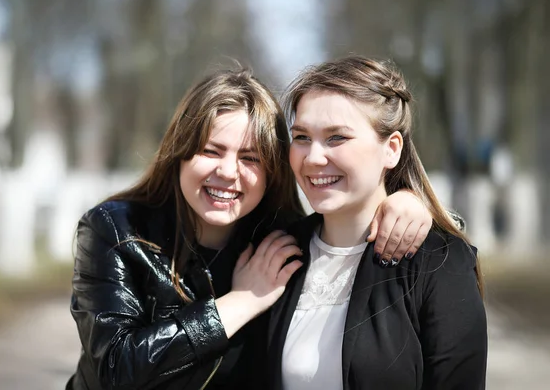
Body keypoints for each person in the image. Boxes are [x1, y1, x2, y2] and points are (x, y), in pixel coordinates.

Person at [66, 67, 433, 390]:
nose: (228, 172)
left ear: (272, 170)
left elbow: (354, 223)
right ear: (180, 152)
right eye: (211, 151)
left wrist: (407, 202)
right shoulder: (116, 230)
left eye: (249, 158)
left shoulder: (284, 240)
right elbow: (116, 369)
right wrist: (241, 302)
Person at [266, 55, 487, 390]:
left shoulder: (440, 261)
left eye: (337, 137)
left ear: (392, 149)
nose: (313, 158)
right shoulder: (277, 253)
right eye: (301, 137)